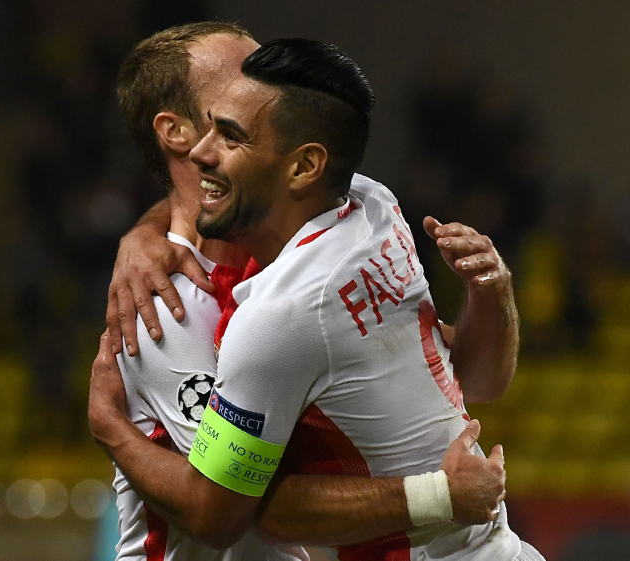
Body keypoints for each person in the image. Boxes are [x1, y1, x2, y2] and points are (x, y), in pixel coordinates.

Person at [91, 36, 542, 559]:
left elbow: (231, 511)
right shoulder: (162, 308)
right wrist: (147, 231)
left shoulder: (348, 234)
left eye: (232, 132)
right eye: (222, 108)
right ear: (176, 132)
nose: (205, 151)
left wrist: (492, 294)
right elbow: (229, 513)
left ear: (305, 165)